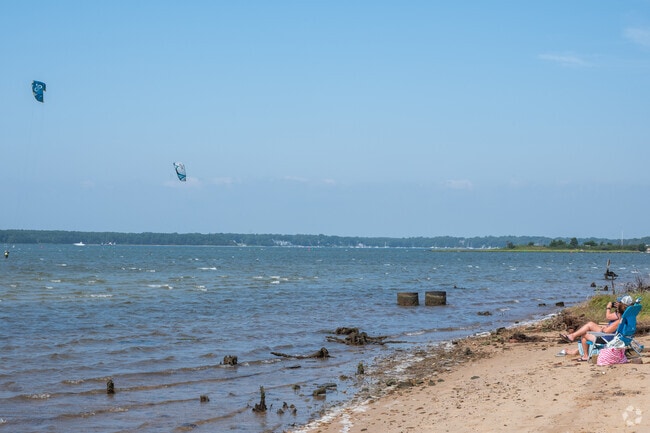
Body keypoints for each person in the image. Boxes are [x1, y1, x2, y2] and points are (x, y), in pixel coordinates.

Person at [559, 295, 634, 361]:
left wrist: (603, 329)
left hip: (608, 338)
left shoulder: (619, 321)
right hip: (616, 336)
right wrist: (607, 327)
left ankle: (585, 356)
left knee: (584, 335)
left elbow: (607, 331)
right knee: (590, 324)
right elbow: (612, 328)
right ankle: (573, 338)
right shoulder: (629, 317)